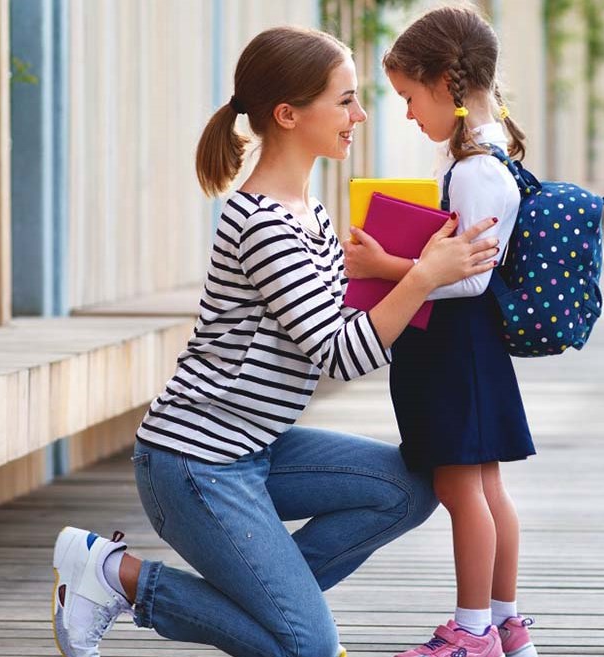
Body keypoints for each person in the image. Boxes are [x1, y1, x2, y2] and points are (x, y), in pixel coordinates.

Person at [49, 25, 501, 657]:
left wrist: (403, 271)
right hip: (195, 461)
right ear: (288, 115)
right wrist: (424, 276)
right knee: (307, 649)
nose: (361, 114)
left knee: (409, 489)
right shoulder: (262, 223)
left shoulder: (309, 213)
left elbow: (347, 324)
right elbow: (342, 354)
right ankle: (115, 577)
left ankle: (274, 602)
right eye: (345, 100)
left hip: (259, 446)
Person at [343, 6, 538, 657]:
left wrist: (383, 264)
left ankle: (472, 628)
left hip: (456, 349)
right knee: (484, 488)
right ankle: (503, 621)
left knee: (463, 489)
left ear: (442, 82)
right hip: (466, 350)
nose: (405, 114)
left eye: (407, 96)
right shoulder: (489, 154)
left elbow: (466, 278)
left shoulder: (476, 168)